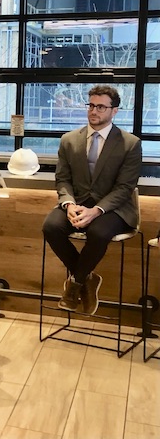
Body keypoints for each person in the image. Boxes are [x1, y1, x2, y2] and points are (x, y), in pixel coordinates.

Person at [42, 85, 141, 316]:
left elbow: (125, 187)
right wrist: (68, 204)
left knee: (98, 232)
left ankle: (75, 284)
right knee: (51, 226)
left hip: (113, 208)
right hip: (77, 203)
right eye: (91, 105)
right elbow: (62, 179)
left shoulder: (130, 143)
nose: (94, 111)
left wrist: (97, 210)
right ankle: (87, 278)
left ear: (114, 111)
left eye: (101, 107)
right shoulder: (69, 140)